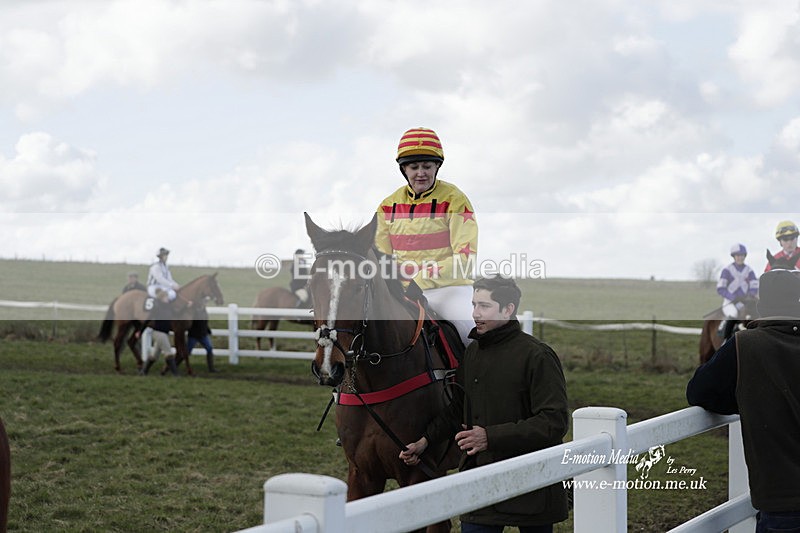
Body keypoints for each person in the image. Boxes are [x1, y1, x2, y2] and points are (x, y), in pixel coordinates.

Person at [399, 276, 569, 532]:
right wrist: (425, 441)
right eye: (474, 304)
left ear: (508, 309)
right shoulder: (473, 352)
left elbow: (554, 422)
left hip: (532, 483)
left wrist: (489, 436)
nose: (475, 313)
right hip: (480, 479)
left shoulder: (538, 356)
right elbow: (458, 408)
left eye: (484, 306)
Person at [687, 269, 800, 533]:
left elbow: (698, 392)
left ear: (761, 305)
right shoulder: (732, 273)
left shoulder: (745, 344)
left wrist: (747, 396)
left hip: (783, 503)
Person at [375, 127, 478, 346]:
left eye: (427, 166)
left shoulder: (455, 199)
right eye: (414, 167)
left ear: (437, 167)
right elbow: (380, 256)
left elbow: (465, 258)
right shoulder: (387, 205)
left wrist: (419, 280)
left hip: (448, 290)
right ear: (404, 169)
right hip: (401, 292)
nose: (421, 173)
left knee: (474, 332)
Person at [716, 243, 759, 339]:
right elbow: (721, 288)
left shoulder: (749, 271)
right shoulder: (727, 270)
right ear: (734, 256)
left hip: (746, 302)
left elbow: (754, 287)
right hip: (730, 301)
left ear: (745, 256)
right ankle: (726, 339)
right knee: (733, 314)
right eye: (738, 255)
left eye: (742, 255)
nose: (740, 258)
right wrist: (733, 298)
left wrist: (750, 296)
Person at [139, 289, 179, 376]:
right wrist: (140, 331)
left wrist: (188, 306)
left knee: (154, 355)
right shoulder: (157, 307)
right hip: (158, 332)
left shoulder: (168, 307)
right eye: (166, 297)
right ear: (162, 298)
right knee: (168, 353)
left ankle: (143, 371)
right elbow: (147, 320)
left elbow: (178, 313)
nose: (168, 298)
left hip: (164, 333)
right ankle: (175, 374)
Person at [186, 304, 216, 373]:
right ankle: (176, 365)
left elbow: (205, 322)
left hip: (203, 334)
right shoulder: (193, 311)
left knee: (209, 349)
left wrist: (207, 329)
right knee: (187, 351)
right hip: (194, 335)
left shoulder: (203, 311)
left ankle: (211, 368)